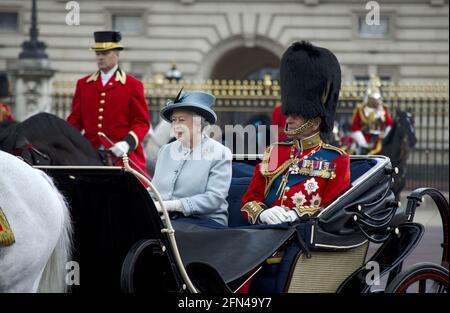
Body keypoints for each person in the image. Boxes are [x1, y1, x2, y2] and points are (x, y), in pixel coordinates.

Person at [240, 41, 351, 226]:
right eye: (288, 115)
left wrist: (297, 214)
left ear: (315, 122)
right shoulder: (274, 152)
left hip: (303, 235)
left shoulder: (336, 159)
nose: (288, 121)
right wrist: (262, 214)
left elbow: (333, 208)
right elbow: (249, 201)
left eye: (296, 117)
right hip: (264, 234)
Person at [67, 31, 150, 175]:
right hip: (90, 153)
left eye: (105, 53)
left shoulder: (133, 85)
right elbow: (75, 120)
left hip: (122, 154)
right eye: (98, 53)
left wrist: (127, 143)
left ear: (117, 54)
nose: (100, 57)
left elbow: (141, 122)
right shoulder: (83, 84)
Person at [150, 90, 232, 227]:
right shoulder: (165, 151)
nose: (176, 126)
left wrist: (174, 205)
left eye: (182, 120)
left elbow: (214, 199)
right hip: (167, 221)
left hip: (205, 223)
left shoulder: (220, 152)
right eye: (173, 120)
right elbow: (154, 191)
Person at [351, 75, 393, 155]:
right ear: (369, 98)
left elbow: (389, 123)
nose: (375, 101)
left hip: (380, 138)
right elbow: (355, 127)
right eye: (372, 99)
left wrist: (386, 136)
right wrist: (362, 141)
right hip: (366, 137)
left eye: (376, 99)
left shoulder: (383, 108)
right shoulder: (361, 109)